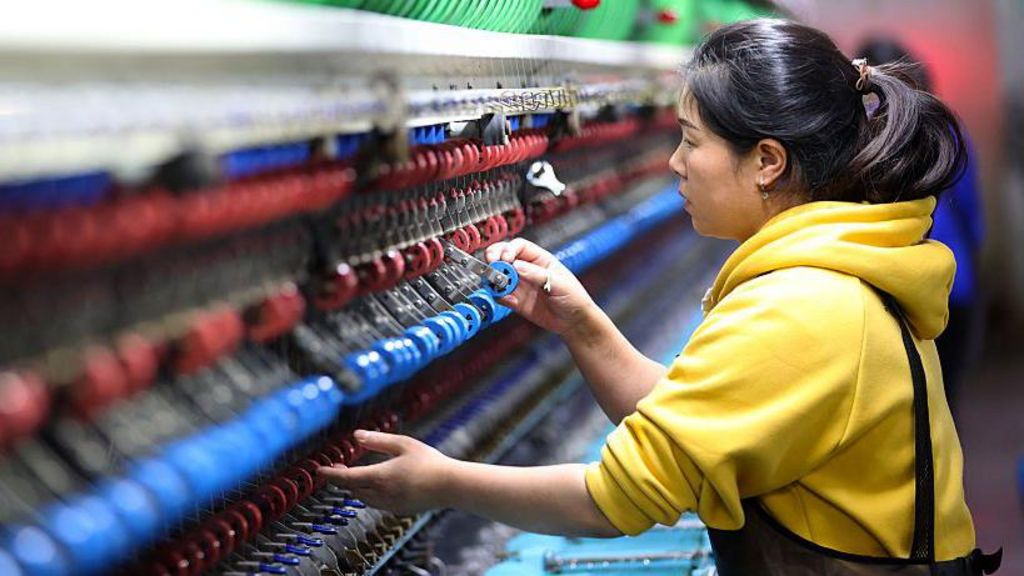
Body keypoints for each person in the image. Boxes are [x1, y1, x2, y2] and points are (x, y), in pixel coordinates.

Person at [319, 19, 1001, 575]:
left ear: (767, 162)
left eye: (691, 140)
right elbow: (692, 430)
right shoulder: (826, 278)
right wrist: (580, 323)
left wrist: (441, 483)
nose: (675, 162)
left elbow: (615, 500)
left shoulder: (802, 306)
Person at [854, 37, 986, 413]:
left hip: (883, 285)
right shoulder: (945, 130)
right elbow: (972, 212)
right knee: (944, 396)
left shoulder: (857, 138)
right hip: (949, 279)